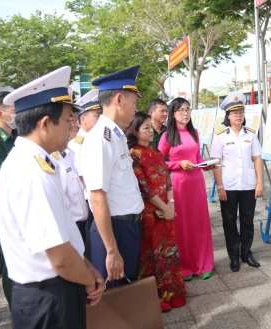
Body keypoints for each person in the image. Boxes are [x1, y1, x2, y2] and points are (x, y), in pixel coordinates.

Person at [0, 66, 103, 329]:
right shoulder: (31, 172)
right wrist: (89, 282)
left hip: (57, 287)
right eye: (68, 120)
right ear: (45, 123)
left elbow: (63, 233)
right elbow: (59, 256)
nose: (72, 127)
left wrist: (87, 266)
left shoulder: (39, 163)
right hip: (49, 296)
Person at [82, 65, 144, 288]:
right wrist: (111, 250)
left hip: (125, 227)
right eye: (134, 102)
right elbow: (97, 198)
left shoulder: (114, 135)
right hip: (114, 230)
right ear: (119, 99)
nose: (136, 109)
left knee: (126, 293)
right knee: (115, 300)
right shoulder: (101, 139)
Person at [126, 112, 186, 312]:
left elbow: (167, 179)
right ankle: (157, 296)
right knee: (153, 255)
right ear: (135, 131)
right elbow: (145, 188)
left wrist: (171, 203)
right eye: (146, 128)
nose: (151, 131)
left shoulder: (156, 152)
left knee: (169, 252)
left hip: (167, 209)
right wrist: (165, 207)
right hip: (150, 212)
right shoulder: (133, 155)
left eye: (151, 128)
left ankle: (174, 292)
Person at [158, 97, 214, 281]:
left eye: (188, 109)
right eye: (181, 110)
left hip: (196, 183)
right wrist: (178, 164)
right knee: (182, 225)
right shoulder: (167, 136)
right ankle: (184, 266)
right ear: (173, 114)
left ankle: (202, 263)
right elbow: (159, 163)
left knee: (199, 222)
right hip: (178, 185)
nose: (185, 113)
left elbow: (197, 159)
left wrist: (207, 165)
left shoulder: (194, 133)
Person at [210, 92, 263, 272]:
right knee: (229, 221)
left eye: (240, 111)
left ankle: (246, 253)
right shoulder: (221, 137)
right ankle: (234, 256)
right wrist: (219, 187)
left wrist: (260, 183)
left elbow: (257, 159)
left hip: (248, 185)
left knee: (248, 220)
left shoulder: (252, 135)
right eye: (234, 113)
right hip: (229, 186)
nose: (238, 115)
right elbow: (216, 164)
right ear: (228, 116)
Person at [69, 89, 102, 260]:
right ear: (83, 119)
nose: (100, 119)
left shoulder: (94, 138)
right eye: (97, 115)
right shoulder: (76, 143)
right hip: (88, 200)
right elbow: (82, 177)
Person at [0, 91, 15, 306]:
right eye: (13, 112)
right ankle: (15, 305)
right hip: (2, 206)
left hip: (18, 203)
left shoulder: (15, 139)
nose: (17, 116)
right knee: (9, 257)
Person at [51, 110, 88, 240]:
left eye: (74, 120)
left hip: (82, 224)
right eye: (69, 121)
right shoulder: (52, 158)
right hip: (69, 227)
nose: (74, 125)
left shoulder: (69, 153)